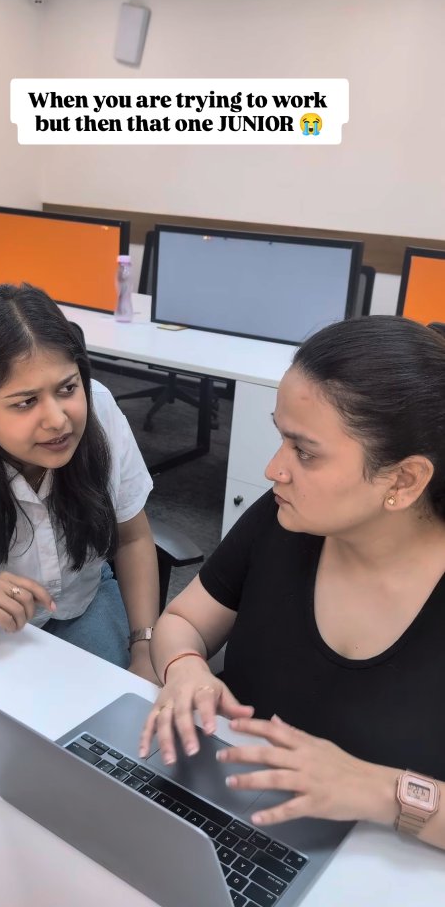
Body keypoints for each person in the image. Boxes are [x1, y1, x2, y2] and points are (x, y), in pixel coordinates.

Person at [140, 315, 445, 851]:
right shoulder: (286, 517)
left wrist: (377, 790)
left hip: (374, 862)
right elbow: (184, 620)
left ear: (404, 479)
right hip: (229, 812)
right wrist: (185, 668)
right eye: (282, 438)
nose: (273, 469)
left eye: (304, 452)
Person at [0, 282, 159, 682]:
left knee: (119, 710)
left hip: (79, 602)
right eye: (25, 402)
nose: (58, 420)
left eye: (67, 388)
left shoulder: (100, 410)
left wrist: (145, 647)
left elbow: (132, 538)